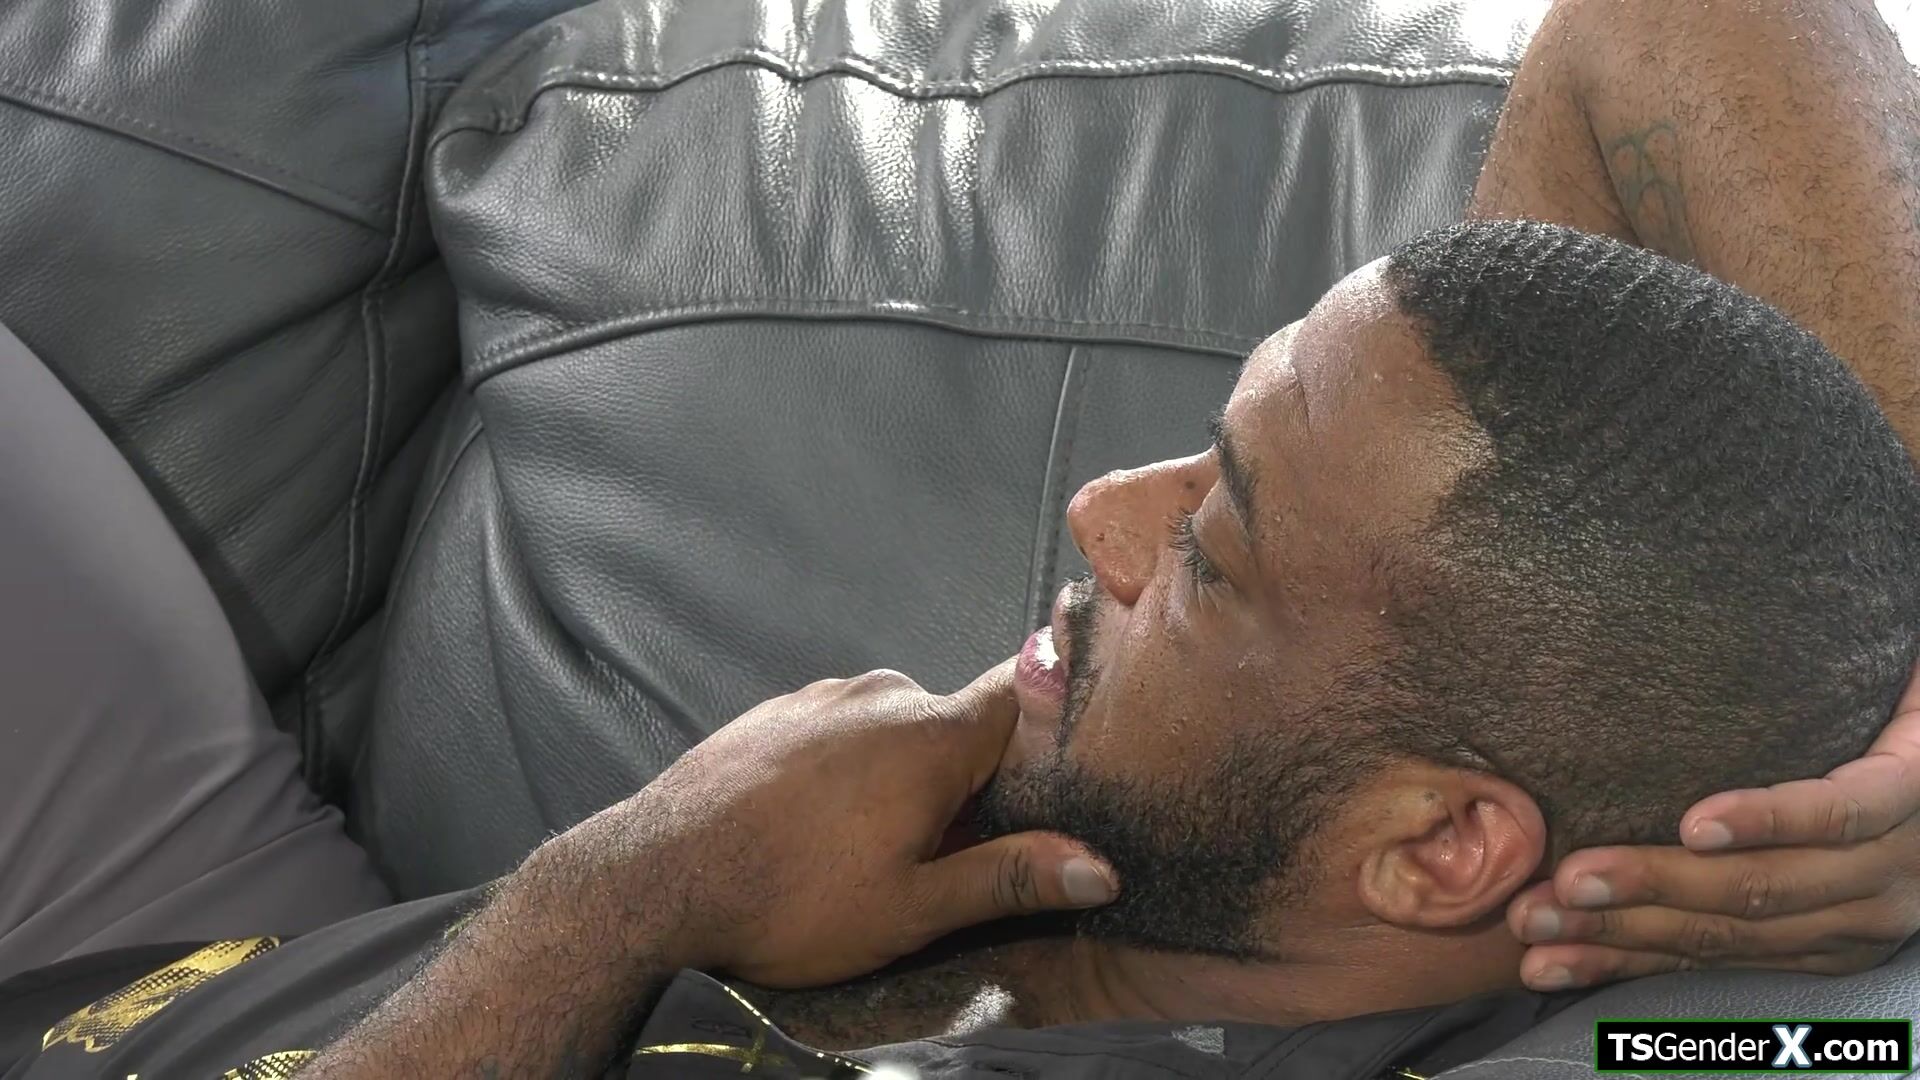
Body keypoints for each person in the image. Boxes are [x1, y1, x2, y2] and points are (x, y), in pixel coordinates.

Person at [4, 0, 1920, 1078]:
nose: (1102, 515)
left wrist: (631, 887)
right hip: (205, 928)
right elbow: (1699, 27)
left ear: (1440, 850)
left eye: (1217, 546)